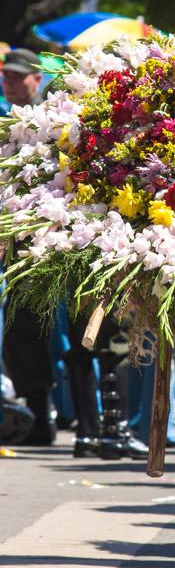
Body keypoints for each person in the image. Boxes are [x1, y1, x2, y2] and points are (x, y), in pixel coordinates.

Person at [1, 49, 56, 445]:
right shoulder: (6, 120)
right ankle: (37, 412)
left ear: (36, 79)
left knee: (43, 327)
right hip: (18, 238)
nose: (12, 84)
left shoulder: (53, 116)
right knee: (22, 327)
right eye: (7, 77)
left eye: (19, 77)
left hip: (47, 235)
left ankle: (55, 414)